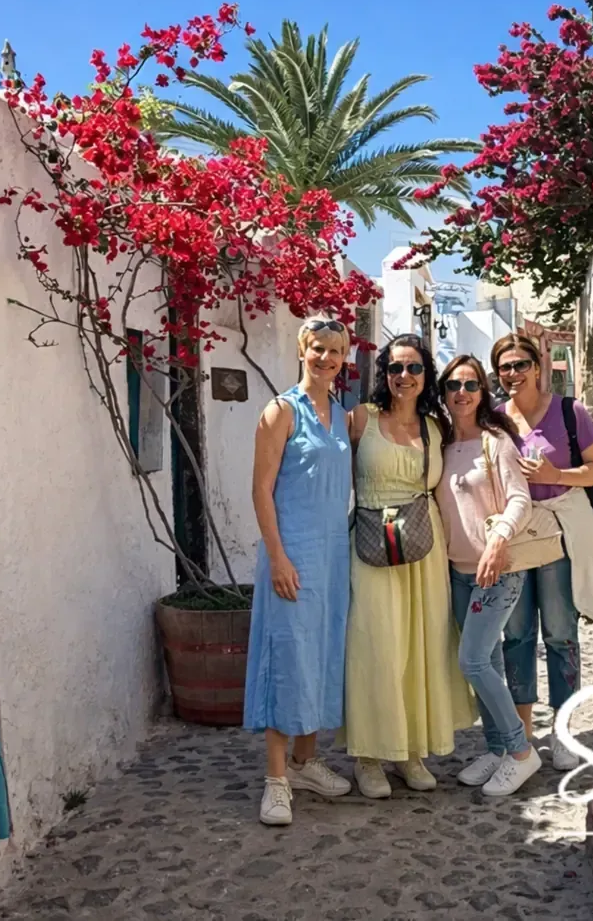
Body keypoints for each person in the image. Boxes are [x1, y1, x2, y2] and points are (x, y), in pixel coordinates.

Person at [342, 335, 475, 797]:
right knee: (374, 643)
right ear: (385, 373)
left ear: (426, 375)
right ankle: (368, 755)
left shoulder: (436, 428)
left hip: (424, 544)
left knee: (421, 646)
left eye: (414, 368)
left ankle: (410, 750)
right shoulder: (361, 419)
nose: (405, 376)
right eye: (396, 367)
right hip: (371, 541)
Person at [490, 333, 593, 772]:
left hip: (559, 536)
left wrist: (556, 474)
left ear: (537, 367)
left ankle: (563, 732)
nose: (513, 373)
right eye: (504, 367)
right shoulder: (495, 419)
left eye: (520, 364)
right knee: (516, 635)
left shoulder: (570, 412)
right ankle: (523, 734)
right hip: (518, 536)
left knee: (560, 633)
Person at [245, 317, 356, 826]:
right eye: (318, 348)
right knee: (287, 656)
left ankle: (306, 762)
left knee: (322, 653)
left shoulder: (341, 413)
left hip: (333, 556)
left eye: (335, 351)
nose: (326, 358)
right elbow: (261, 489)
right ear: (301, 350)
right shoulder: (280, 411)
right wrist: (278, 556)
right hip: (292, 552)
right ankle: (275, 779)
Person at [436, 355, 543, 796]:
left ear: (482, 392)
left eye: (470, 385)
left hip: (497, 571)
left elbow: (520, 499)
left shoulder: (495, 441)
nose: (461, 393)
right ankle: (497, 748)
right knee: (489, 661)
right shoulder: (441, 444)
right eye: (453, 385)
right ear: (443, 393)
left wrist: (499, 539)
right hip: (457, 572)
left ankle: (520, 751)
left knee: (473, 661)